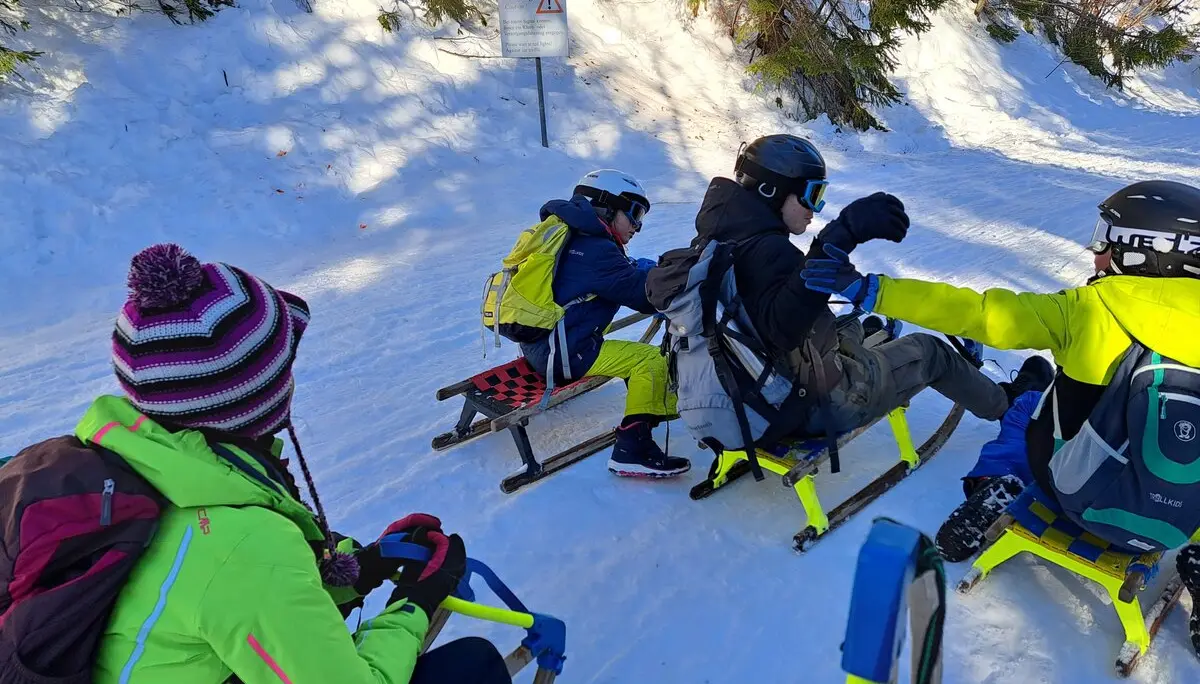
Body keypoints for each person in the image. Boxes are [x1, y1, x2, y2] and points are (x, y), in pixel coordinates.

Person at [24, 244, 511, 683]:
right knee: (474, 668)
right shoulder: (240, 546)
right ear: (260, 396)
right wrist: (415, 604)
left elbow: (219, 597)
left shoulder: (132, 464)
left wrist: (358, 568)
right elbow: (242, 578)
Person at [800, 179, 1200, 656]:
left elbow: (980, 313)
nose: (1096, 255)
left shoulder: (1087, 311)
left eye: (1107, 242)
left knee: (1030, 406)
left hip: (1075, 496)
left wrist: (871, 289)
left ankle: (1001, 479)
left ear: (1144, 253)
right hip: (1181, 521)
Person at [686, 134, 1046, 447]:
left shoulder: (714, 240)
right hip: (804, 406)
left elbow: (768, 316)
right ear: (772, 189)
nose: (816, 209)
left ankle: (871, 341)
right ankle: (1007, 405)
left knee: (853, 325)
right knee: (930, 351)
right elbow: (782, 329)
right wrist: (836, 240)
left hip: (744, 396)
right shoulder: (769, 250)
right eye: (812, 194)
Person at [519, 170, 690, 479]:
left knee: (602, 320)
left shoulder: (569, 234)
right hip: (562, 356)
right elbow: (643, 295)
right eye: (635, 213)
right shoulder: (596, 249)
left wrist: (637, 269)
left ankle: (644, 404)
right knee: (651, 361)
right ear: (607, 206)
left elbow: (608, 274)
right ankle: (631, 449)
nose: (638, 226)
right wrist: (668, 282)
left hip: (540, 344)